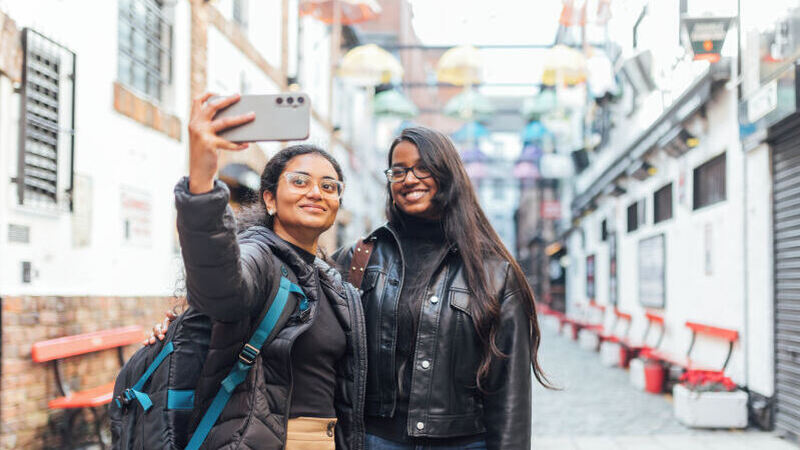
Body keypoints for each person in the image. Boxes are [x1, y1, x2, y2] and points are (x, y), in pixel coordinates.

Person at [333, 126, 549, 450]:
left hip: (463, 442)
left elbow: (510, 394)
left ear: (448, 176)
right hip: (376, 440)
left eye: (423, 168)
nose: (409, 179)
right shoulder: (360, 258)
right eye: (399, 170)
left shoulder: (494, 273)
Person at [172, 93, 367, 450]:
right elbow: (220, 286)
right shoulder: (259, 255)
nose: (316, 193)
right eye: (299, 181)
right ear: (270, 199)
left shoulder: (331, 281)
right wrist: (201, 180)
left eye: (329, 186)